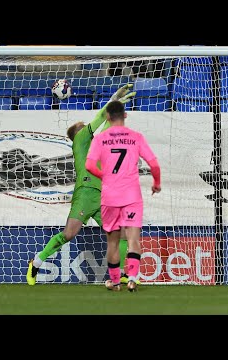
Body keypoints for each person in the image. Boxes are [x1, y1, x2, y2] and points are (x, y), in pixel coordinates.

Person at [26, 84, 137, 286]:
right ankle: (37, 262)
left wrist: (115, 104)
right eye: (81, 126)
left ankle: (122, 273)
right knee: (69, 234)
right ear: (77, 134)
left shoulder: (94, 144)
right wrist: (113, 100)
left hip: (103, 196)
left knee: (120, 234)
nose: (84, 127)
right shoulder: (79, 141)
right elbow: (99, 121)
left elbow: (105, 125)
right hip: (85, 193)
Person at [85, 100, 161, 292]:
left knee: (113, 241)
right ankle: (133, 278)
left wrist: (106, 177)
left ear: (108, 117)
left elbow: (89, 166)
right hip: (132, 196)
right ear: (125, 115)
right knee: (134, 239)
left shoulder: (100, 138)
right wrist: (156, 183)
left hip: (110, 196)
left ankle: (115, 282)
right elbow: (153, 164)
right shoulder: (136, 137)